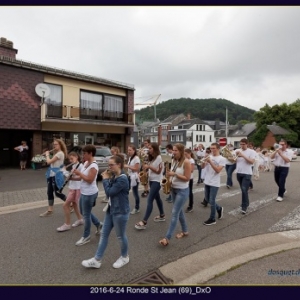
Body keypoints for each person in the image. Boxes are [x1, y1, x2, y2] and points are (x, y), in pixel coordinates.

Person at [81, 154, 130, 269]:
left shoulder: (122, 178)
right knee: (104, 234)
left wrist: (105, 179)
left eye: (111, 165)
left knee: (120, 236)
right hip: (111, 209)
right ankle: (97, 260)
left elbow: (110, 193)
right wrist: (108, 178)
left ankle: (125, 257)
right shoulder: (114, 175)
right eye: (108, 165)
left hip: (120, 212)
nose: (109, 167)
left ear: (119, 165)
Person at [158, 143, 191, 246]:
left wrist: (174, 174)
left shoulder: (186, 162)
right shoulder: (173, 160)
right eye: (173, 150)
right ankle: (185, 231)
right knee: (179, 211)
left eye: (176, 150)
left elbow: (187, 178)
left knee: (174, 213)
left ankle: (167, 238)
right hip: (174, 189)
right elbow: (171, 174)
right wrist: (168, 179)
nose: (173, 152)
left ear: (181, 151)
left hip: (182, 190)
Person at [73, 144, 103, 246]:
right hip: (84, 191)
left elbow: (89, 180)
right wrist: (71, 178)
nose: (83, 155)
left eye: (84, 153)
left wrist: (79, 173)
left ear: (90, 153)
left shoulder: (94, 166)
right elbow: (82, 177)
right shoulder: (86, 163)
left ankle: (86, 236)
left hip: (90, 193)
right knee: (84, 212)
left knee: (86, 215)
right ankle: (99, 225)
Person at [135, 142, 165, 230]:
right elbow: (150, 168)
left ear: (155, 149)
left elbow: (159, 171)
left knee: (150, 199)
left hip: (157, 181)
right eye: (149, 148)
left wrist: (149, 167)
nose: (149, 150)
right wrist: (145, 170)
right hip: (151, 180)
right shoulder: (152, 158)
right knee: (157, 198)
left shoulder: (159, 157)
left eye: (151, 148)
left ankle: (144, 221)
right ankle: (162, 215)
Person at [56, 152, 84, 232]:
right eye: (70, 159)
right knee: (74, 204)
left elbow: (80, 177)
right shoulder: (74, 165)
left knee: (65, 205)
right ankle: (80, 219)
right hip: (72, 187)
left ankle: (67, 224)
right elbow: (71, 176)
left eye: (72, 158)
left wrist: (64, 171)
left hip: (76, 188)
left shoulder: (80, 166)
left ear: (76, 157)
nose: (71, 160)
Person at [40, 139, 67, 217]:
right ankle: (50, 209)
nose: (54, 146)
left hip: (57, 175)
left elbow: (49, 162)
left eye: (56, 144)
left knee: (57, 193)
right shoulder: (56, 153)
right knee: (49, 192)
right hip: (51, 174)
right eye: (54, 144)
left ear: (60, 145)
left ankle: (70, 203)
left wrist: (47, 155)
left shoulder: (60, 153)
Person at [202, 143, 226, 225]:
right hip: (207, 181)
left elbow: (218, 170)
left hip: (214, 182)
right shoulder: (209, 156)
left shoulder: (222, 159)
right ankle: (219, 208)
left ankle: (212, 219)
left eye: (214, 148)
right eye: (211, 148)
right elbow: (202, 167)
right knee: (208, 199)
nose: (212, 150)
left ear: (218, 148)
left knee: (212, 200)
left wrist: (210, 162)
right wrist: (204, 161)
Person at [235, 139, 256, 214]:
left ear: (247, 144)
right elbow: (233, 161)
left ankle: (244, 206)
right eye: (241, 144)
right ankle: (246, 203)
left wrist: (243, 155)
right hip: (239, 172)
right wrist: (231, 157)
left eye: (243, 144)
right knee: (243, 190)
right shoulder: (237, 150)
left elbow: (251, 162)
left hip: (247, 173)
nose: (242, 146)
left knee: (244, 189)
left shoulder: (252, 151)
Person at [125, 144, 141, 214]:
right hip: (129, 176)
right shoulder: (130, 157)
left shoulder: (136, 158)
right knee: (125, 191)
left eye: (130, 150)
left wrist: (128, 166)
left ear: (134, 151)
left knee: (135, 193)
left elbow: (136, 169)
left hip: (134, 177)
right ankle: (126, 206)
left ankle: (137, 208)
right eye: (128, 150)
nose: (129, 151)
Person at [184, 148, 195, 213]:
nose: (185, 156)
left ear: (190, 154)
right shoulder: (185, 160)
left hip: (190, 178)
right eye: (184, 154)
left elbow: (191, 170)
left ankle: (191, 206)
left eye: (186, 154)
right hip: (185, 177)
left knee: (190, 192)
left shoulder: (191, 160)